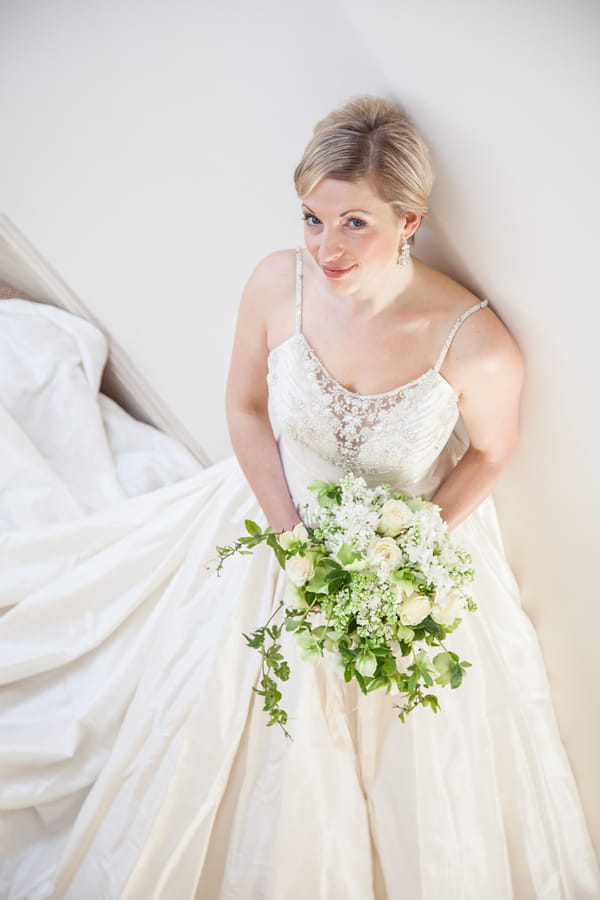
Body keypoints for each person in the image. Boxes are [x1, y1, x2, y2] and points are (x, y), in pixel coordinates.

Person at [1, 96, 599, 900]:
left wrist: (412, 548)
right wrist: (290, 540)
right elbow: (246, 409)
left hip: (400, 549)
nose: (326, 247)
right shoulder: (275, 285)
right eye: (313, 218)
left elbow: (491, 453)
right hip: (276, 514)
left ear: (409, 219)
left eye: (354, 222)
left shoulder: (476, 346)